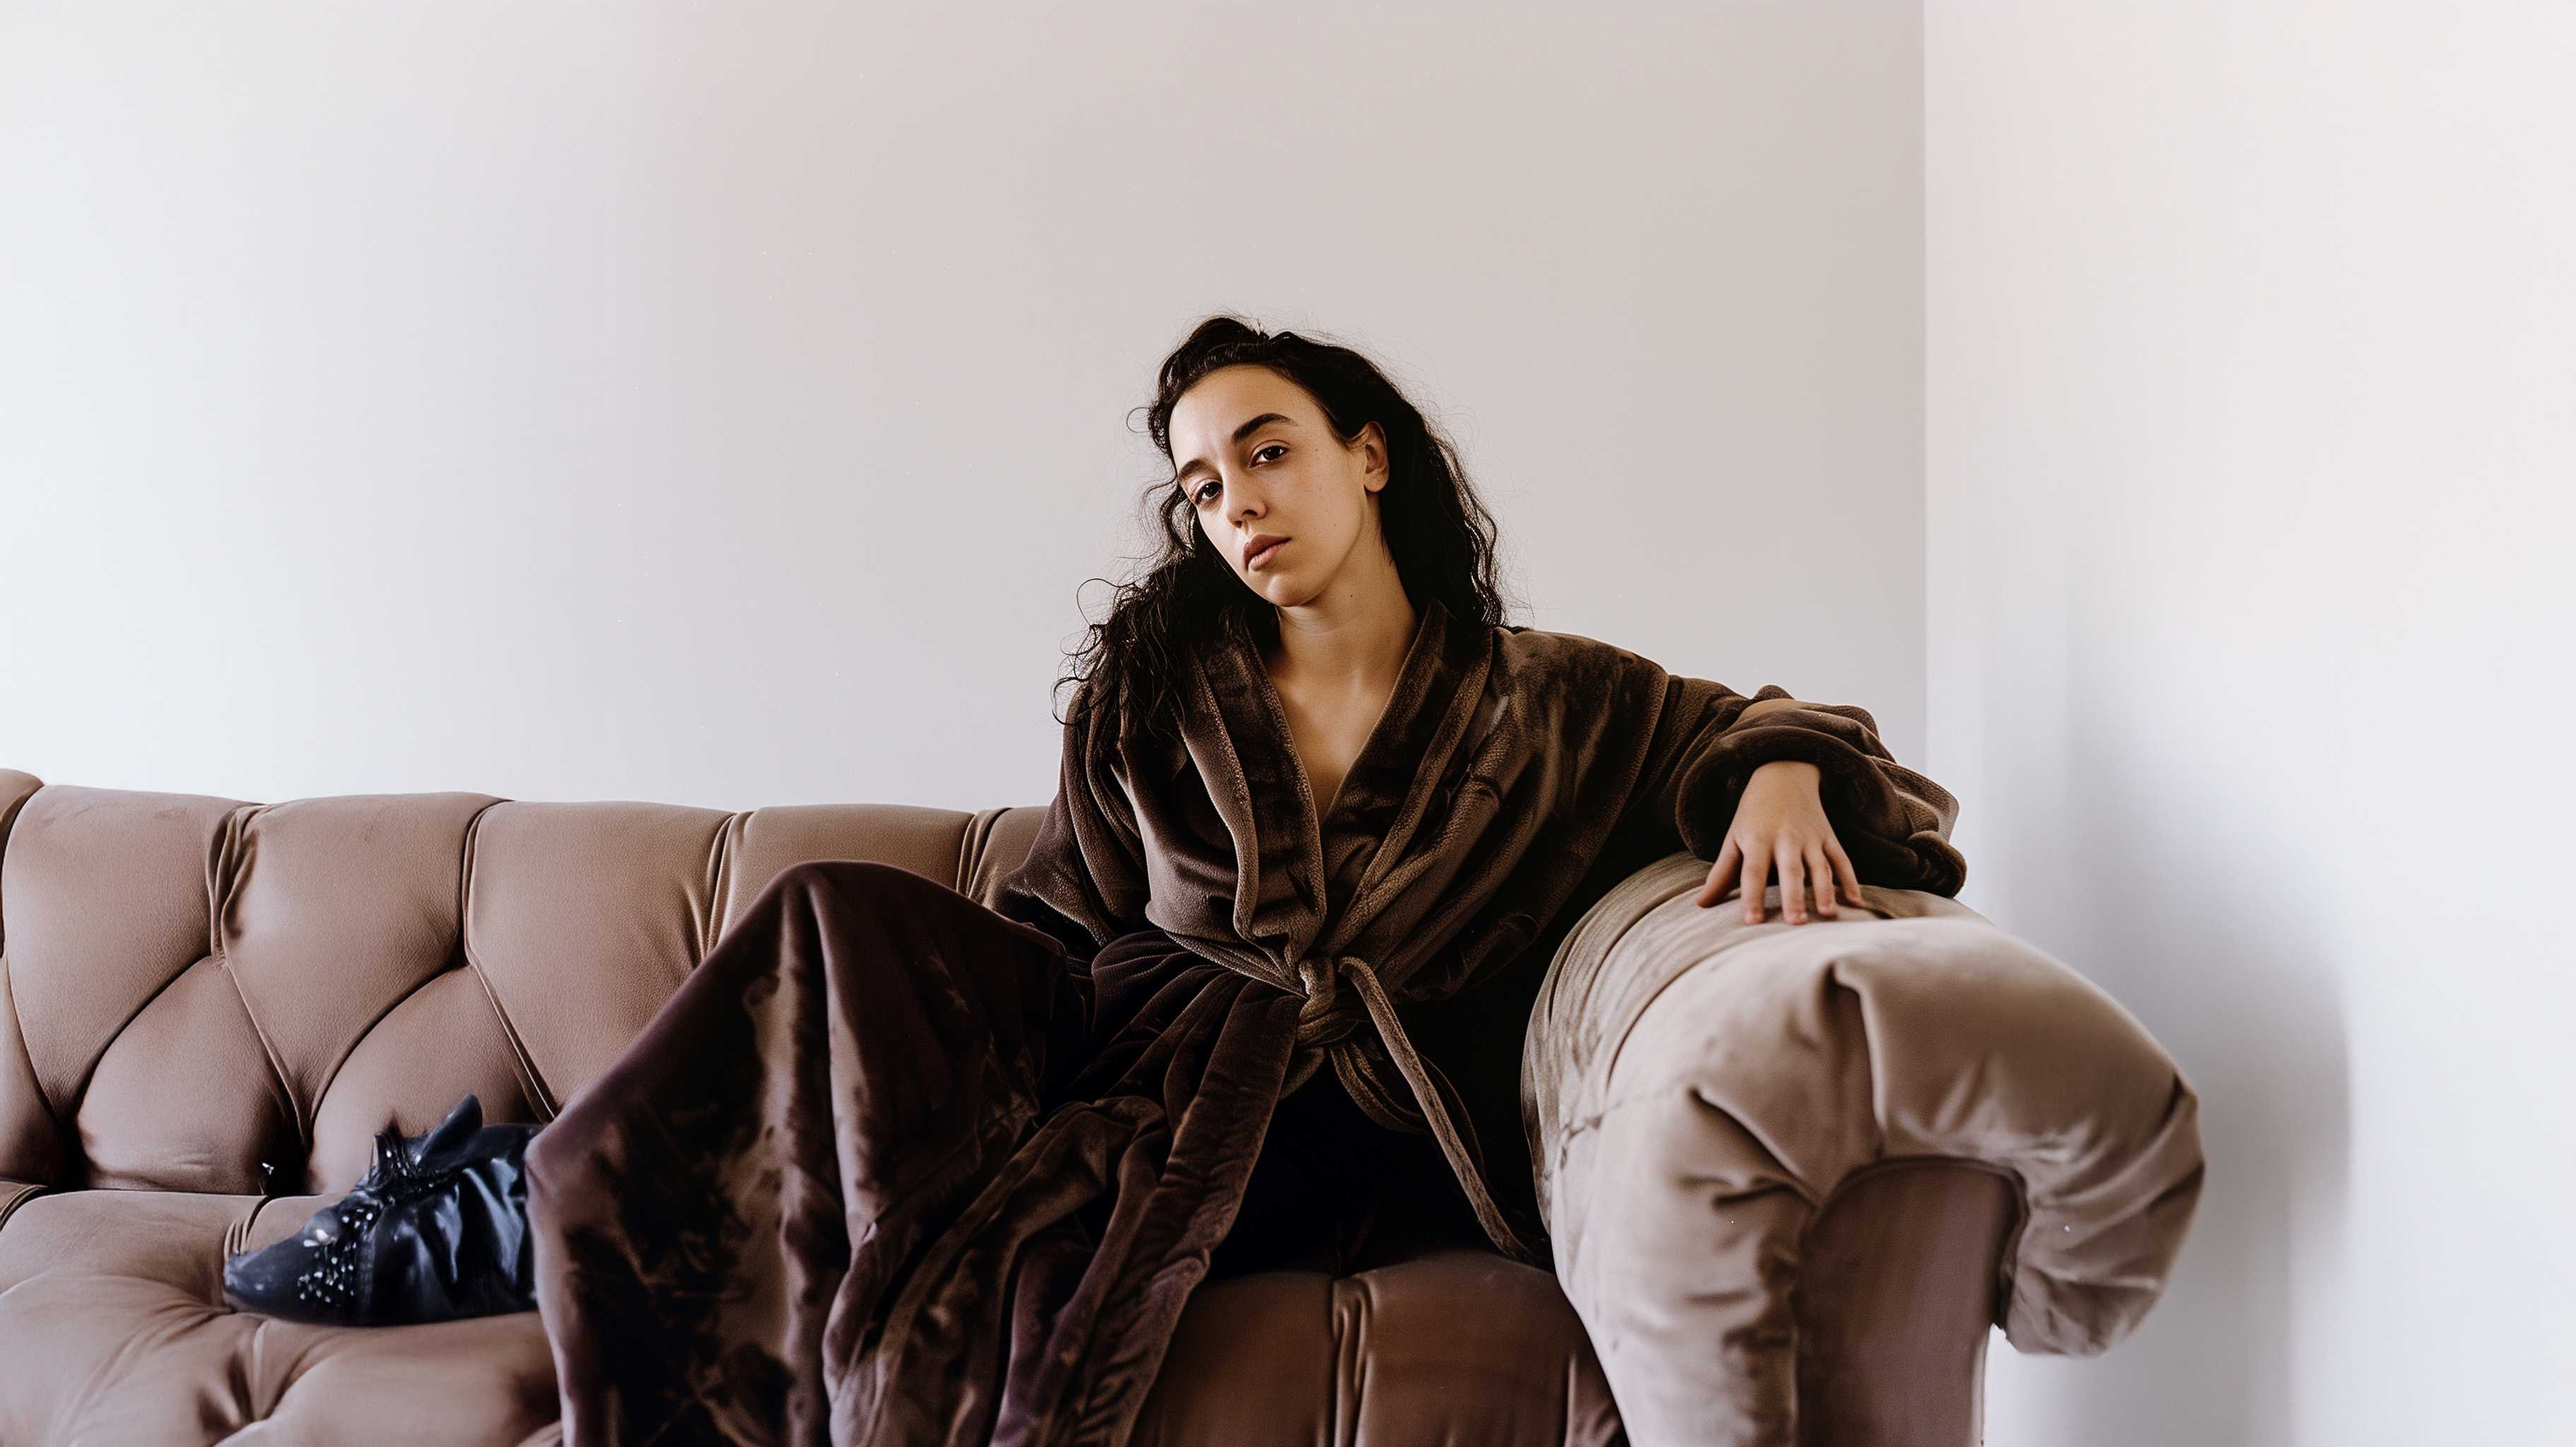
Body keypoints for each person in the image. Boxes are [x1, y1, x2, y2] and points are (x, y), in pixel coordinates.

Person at [240, 315, 1965, 1447]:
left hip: (1332, 1117)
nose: (1238, 506)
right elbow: (1063, 922)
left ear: (1367, 454)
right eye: (1203, 485)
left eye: (1269, 451)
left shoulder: (1549, 700)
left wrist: (1780, 771)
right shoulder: (1161, 696)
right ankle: (521, 1199)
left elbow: (1768, 726)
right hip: (1110, 1034)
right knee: (832, 914)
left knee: (939, 1132)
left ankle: (508, 1196)